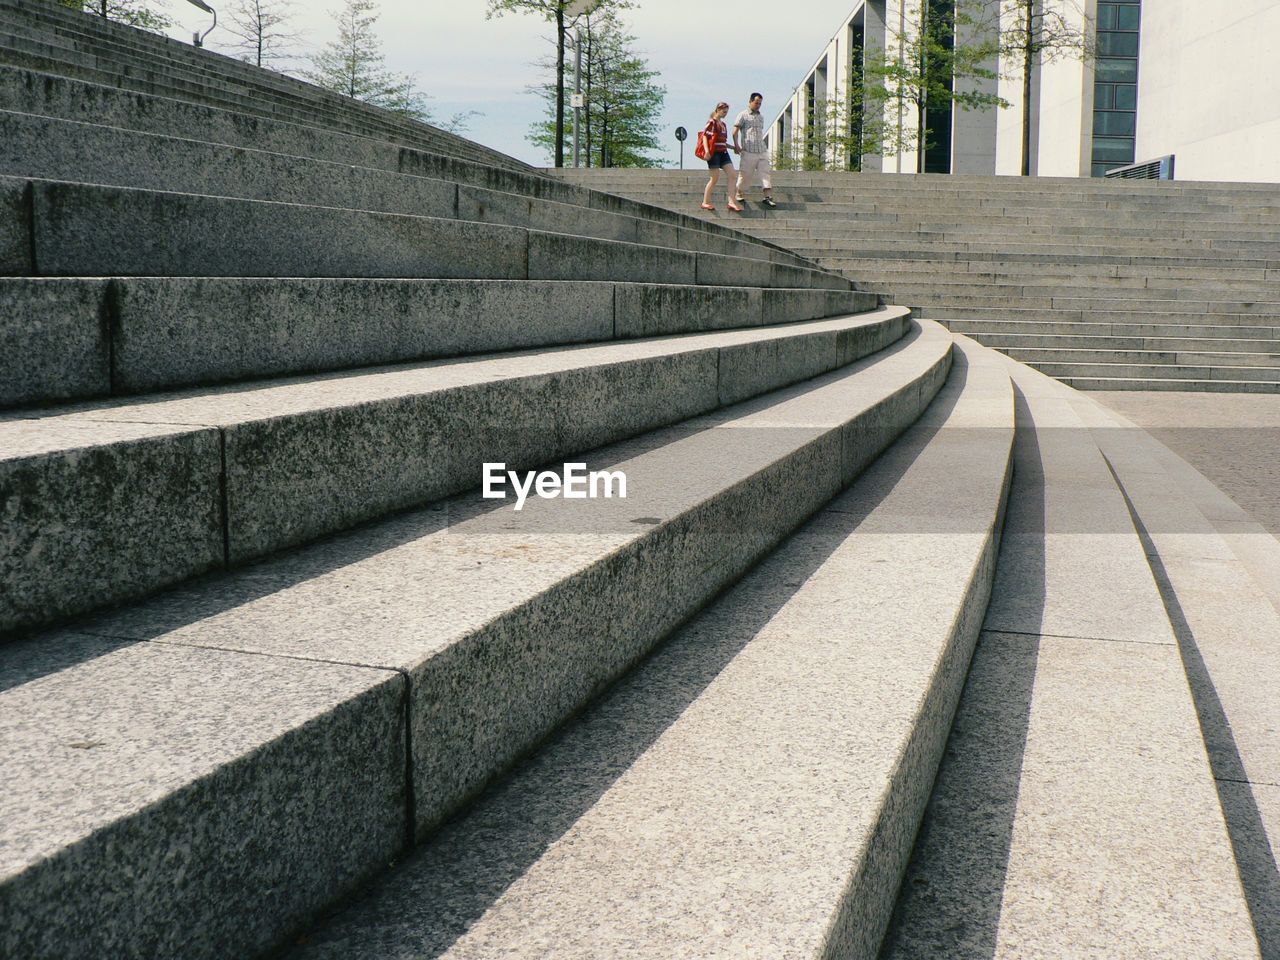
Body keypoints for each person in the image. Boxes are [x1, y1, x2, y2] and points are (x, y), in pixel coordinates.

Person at [734, 92, 776, 207]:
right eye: (756, 103)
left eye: (760, 103)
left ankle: (767, 196)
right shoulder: (743, 115)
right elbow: (735, 131)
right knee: (745, 173)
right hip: (749, 150)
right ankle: (739, 192)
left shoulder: (761, 116)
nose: (758, 105)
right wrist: (736, 145)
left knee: (765, 173)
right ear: (750, 101)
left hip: (761, 149)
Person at [701, 101, 742, 212]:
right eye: (724, 111)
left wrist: (733, 147)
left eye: (726, 112)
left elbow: (722, 141)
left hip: (723, 152)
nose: (725, 113)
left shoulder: (723, 125)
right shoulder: (712, 122)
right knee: (714, 178)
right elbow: (705, 136)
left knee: (732, 175)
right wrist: (707, 151)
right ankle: (705, 201)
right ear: (718, 110)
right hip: (714, 153)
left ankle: (731, 201)